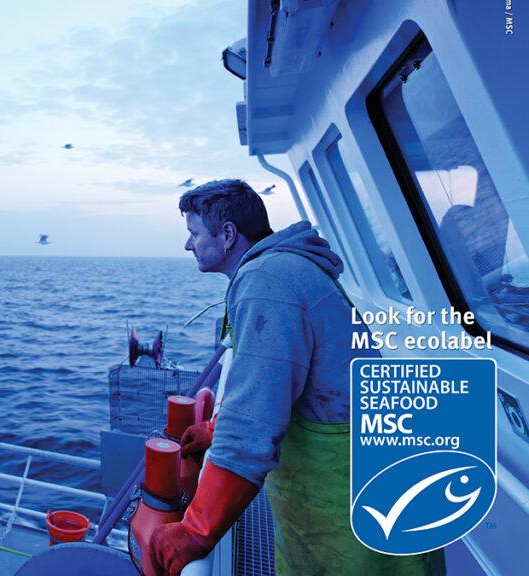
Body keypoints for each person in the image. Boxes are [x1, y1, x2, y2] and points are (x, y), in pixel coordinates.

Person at [148, 180, 444, 575]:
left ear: (228, 234)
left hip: (351, 496)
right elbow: (277, 383)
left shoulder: (267, 282)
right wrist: (216, 428)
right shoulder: (284, 269)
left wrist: (196, 530)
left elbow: (252, 426)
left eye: (195, 233)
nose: (189, 245)